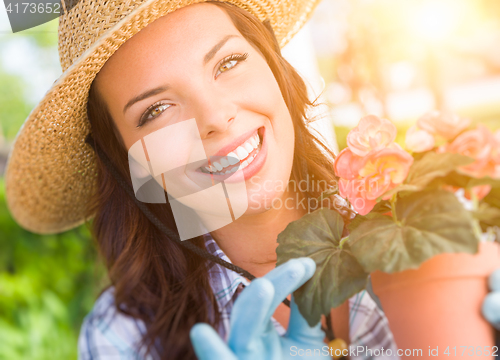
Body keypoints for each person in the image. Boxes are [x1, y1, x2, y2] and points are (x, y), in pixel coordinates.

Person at [4, 0, 500, 359]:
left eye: (229, 62)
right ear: (125, 160)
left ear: (276, 67)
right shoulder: (122, 338)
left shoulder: (447, 218)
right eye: (156, 110)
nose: (215, 116)